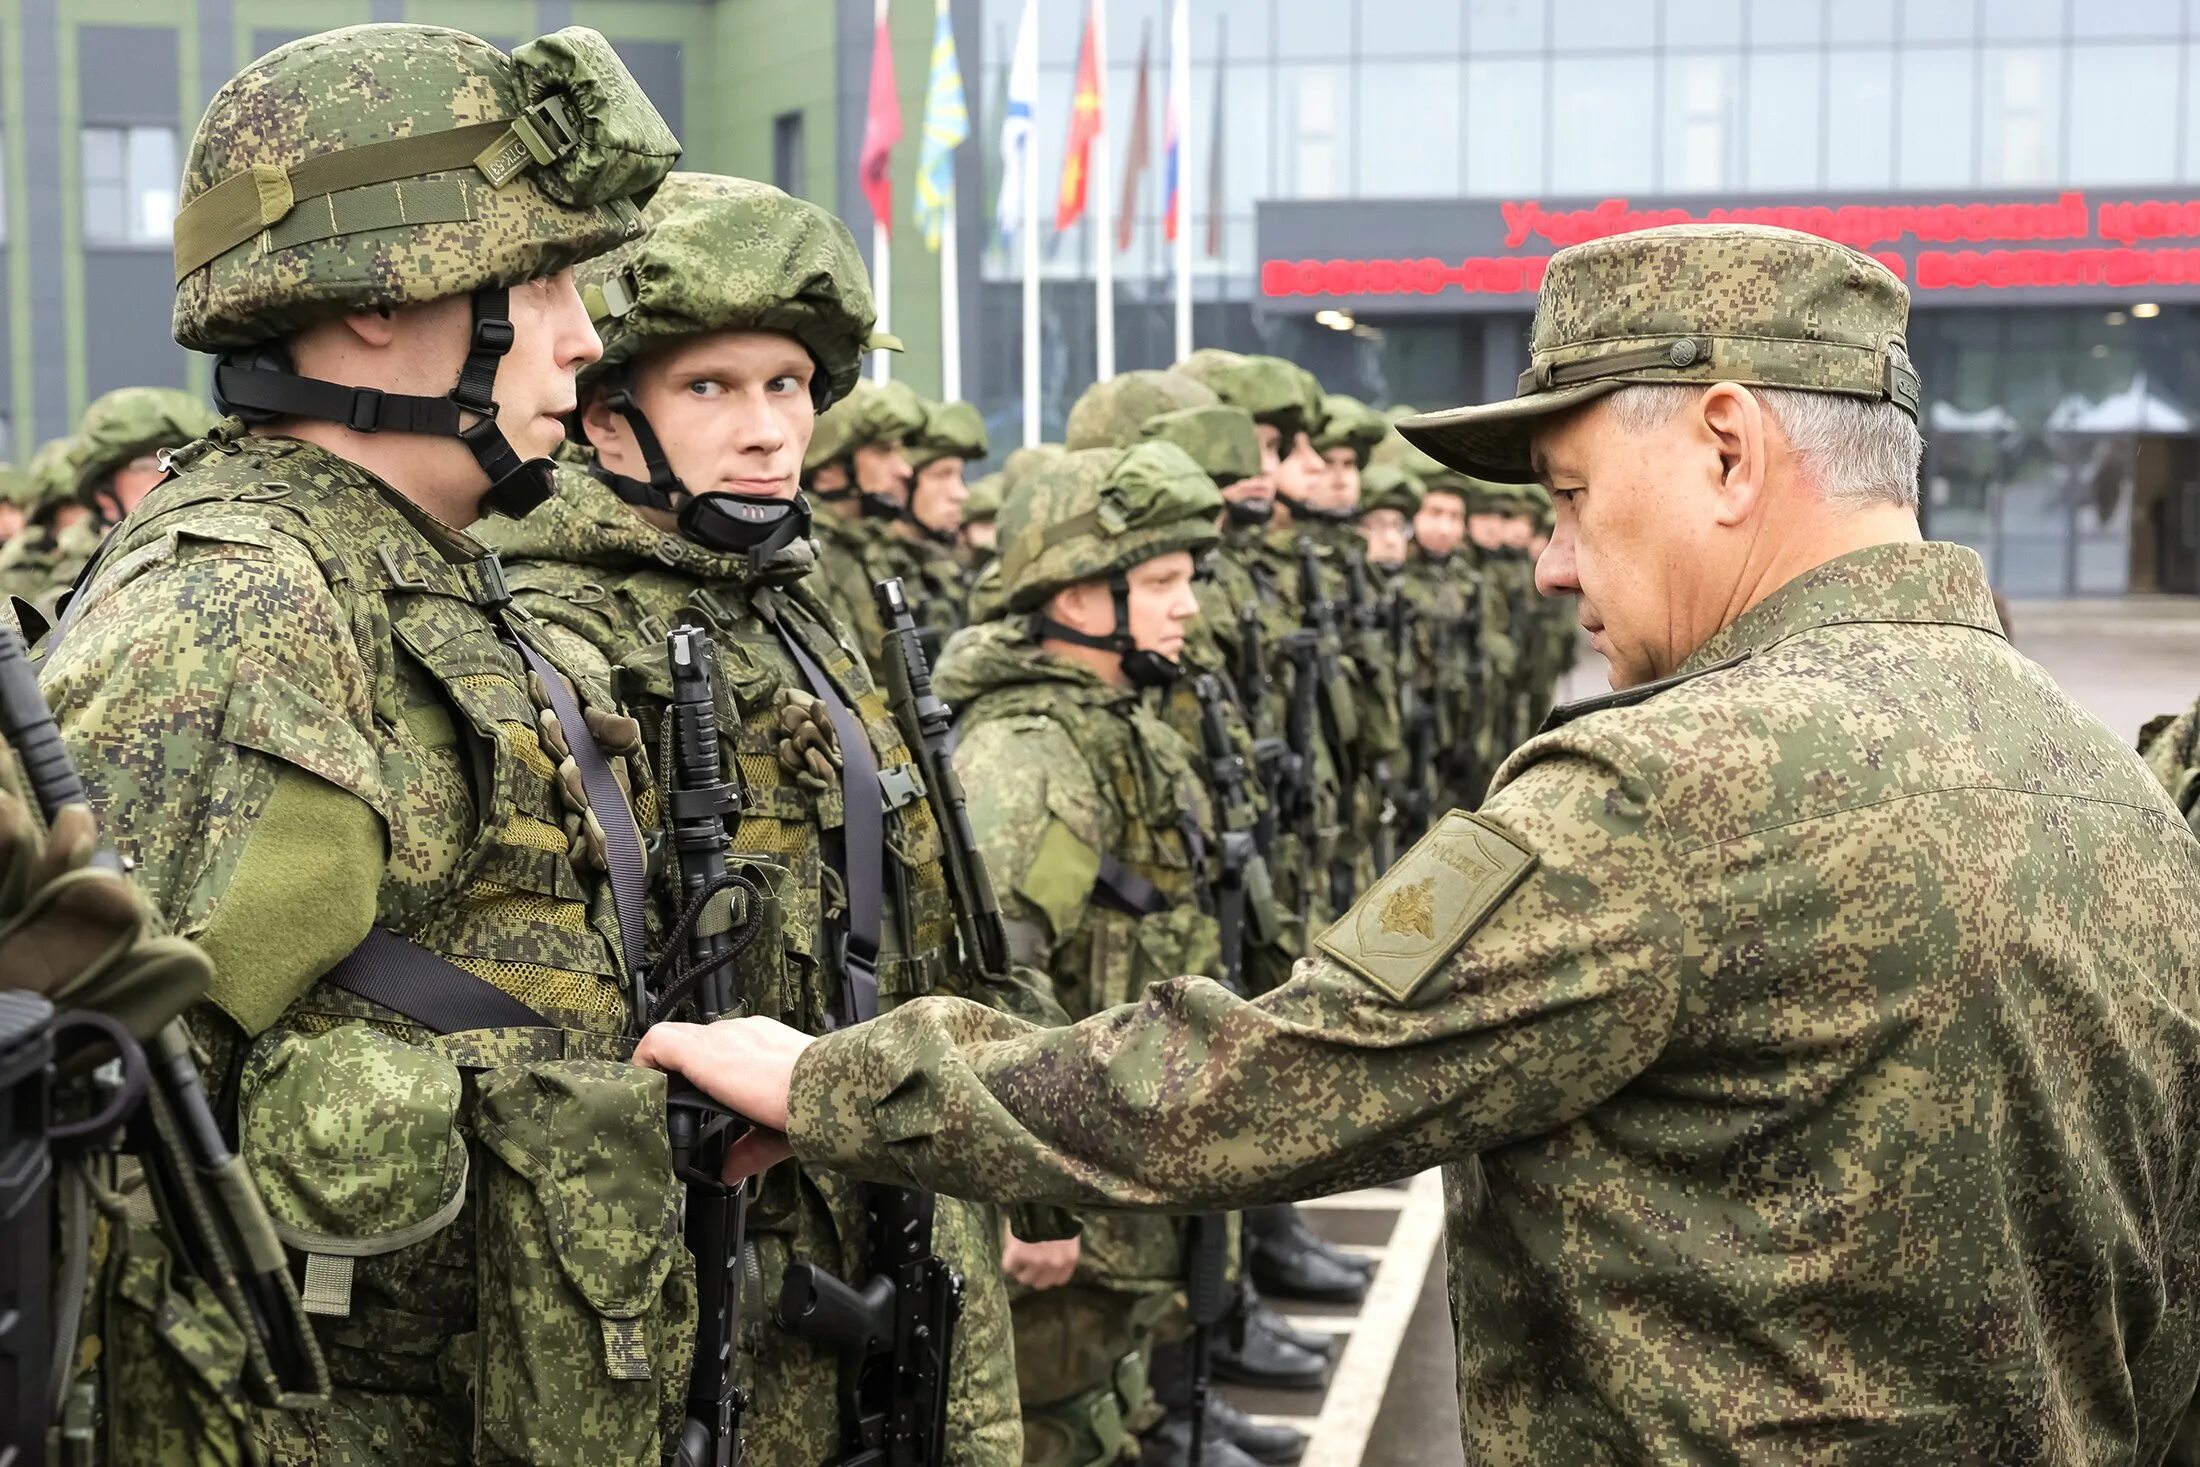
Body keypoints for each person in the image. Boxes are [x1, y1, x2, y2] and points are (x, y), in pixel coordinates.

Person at [633, 222, 2200, 1464]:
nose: (1557, 560)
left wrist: (840, 1077)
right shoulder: (2111, 792)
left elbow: (1266, 1074)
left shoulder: (1648, 795)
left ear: (1729, 448)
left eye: (1577, 494)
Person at [41, 24, 687, 1463]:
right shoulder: (243, 604)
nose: (587, 336)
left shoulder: (408, 566)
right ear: (380, 302)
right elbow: (113, 1155)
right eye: (544, 279)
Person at [480, 170, 1037, 1466]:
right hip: (701, 1244)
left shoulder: (797, 605)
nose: (769, 429)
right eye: (711, 387)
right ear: (607, 416)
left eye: (787, 384)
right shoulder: (547, 634)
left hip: (882, 1182)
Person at [937, 441, 1302, 1467]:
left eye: (1187, 579)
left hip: (1115, 1145)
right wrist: (1031, 1197)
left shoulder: (1112, 723)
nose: (1187, 606)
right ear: (1078, 599)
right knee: (1058, 1413)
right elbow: (996, 977)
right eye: (1159, 582)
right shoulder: (1031, 752)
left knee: (1109, 1390)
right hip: (1069, 1173)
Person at [801, 376, 925, 666]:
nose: (904, 470)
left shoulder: (865, 544)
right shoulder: (805, 554)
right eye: (884, 452)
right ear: (829, 467)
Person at [888, 396, 988, 649]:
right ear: (906, 481)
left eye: (959, 475)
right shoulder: (874, 565)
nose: (961, 493)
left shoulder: (946, 565)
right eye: (943, 474)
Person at [0, 437, 93, 607]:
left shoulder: (106, 551)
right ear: (51, 512)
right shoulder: (22, 563)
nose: (84, 514)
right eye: (72, 505)